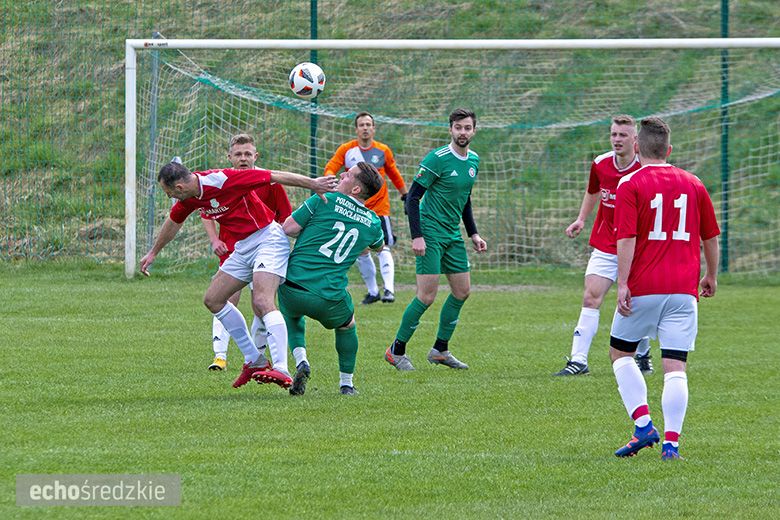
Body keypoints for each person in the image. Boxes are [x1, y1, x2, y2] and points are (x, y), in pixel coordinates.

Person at [139, 157, 338, 390]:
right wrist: (153, 252)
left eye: (168, 192)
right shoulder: (191, 198)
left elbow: (273, 176)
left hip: (268, 239)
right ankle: (254, 360)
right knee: (213, 300)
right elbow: (173, 222)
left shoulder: (224, 179)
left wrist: (313, 184)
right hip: (242, 247)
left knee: (262, 300)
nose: (169, 197)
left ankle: (282, 369)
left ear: (179, 187)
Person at [609, 117, 720, 460]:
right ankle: (671, 446)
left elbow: (626, 237)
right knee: (675, 366)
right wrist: (711, 276)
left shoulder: (630, 184)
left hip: (644, 286)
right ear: (669, 150)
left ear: (638, 147)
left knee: (620, 354)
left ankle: (644, 427)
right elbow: (711, 236)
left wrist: (623, 282)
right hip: (684, 290)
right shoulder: (694, 183)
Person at [385, 108, 487, 371]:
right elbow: (412, 198)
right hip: (430, 233)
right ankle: (396, 351)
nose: (462, 132)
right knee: (426, 296)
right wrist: (417, 236)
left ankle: (440, 350)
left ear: (474, 130)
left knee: (462, 291)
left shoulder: (473, 160)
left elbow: (464, 199)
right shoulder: (436, 159)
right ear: (450, 129)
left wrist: (473, 233)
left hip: (453, 235)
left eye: (467, 128)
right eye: (458, 127)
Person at [554, 114, 654, 376]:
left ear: (636, 140)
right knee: (591, 295)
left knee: (637, 301)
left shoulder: (646, 168)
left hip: (638, 246)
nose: (617, 140)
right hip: (607, 242)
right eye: (613, 134)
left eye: (623, 135)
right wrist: (581, 219)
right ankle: (578, 360)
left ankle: (642, 353)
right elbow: (593, 191)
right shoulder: (600, 163)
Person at [279, 162, 385, 396]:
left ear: (355, 189)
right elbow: (379, 246)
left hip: (292, 285)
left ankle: (301, 361)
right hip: (328, 295)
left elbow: (288, 228)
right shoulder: (373, 221)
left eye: (348, 175)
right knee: (347, 324)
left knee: (292, 314)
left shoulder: (323, 199)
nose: (342, 174)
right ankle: (346, 384)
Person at [201, 135, 292, 371]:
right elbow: (204, 210)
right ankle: (220, 356)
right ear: (229, 157)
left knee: (260, 302)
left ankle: (258, 358)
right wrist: (214, 239)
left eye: (247, 154)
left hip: (264, 248)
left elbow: (285, 217)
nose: (243, 159)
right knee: (223, 299)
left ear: (255, 156)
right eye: (238, 154)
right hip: (232, 247)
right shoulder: (220, 180)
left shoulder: (270, 182)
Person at [324, 111, 408, 305]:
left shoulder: (383, 151)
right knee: (362, 249)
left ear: (374, 128)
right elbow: (331, 167)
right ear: (356, 129)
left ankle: (389, 290)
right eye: (361, 125)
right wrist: (331, 181)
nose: (365, 128)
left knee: (383, 246)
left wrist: (405, 195)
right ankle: (372, 291)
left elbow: (394, 174)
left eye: (368, 124)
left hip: (379, 209)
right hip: (354, 208)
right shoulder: (346, 150)